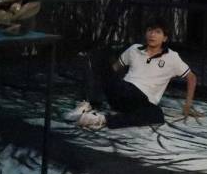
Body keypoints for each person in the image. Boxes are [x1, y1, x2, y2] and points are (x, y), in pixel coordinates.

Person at [70, 20, 199, 129]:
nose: (152, 35)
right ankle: (86, 105)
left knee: (156, 115)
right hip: (122, 92)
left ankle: (101, 119)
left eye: (157, 32)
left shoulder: (172, 57)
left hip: (143, 100)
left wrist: (187, 105)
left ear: (165, 38)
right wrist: (105, 78)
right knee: (100, 57)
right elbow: (114, 69)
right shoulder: (134, 49)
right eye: (150, 30)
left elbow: (191, 77)